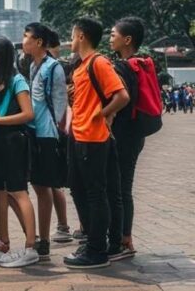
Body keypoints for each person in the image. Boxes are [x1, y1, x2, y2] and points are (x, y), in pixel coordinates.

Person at [64, 18, 130, 269]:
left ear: (81, 36)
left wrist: (101, 114)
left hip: (93, 138)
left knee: (94, 193)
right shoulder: (82, 66)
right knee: (81, 190)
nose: (70, 40)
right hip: (80, 136)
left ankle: (97, 251)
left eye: (72, 35)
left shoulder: (98, 62)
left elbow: (122, 96)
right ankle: (95, 242)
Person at [0, 37, 39, 267]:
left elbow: (28, 114)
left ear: (2, 55)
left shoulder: (17, 80)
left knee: (18, 191)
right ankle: (4, 242)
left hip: (13, 141)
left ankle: (31, 247)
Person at [22, 23, 73, 259]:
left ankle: (44, 241)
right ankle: (42, 238)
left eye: (26, 37)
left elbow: (60, 104)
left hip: (47, 135)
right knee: (40, 186)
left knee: (45, 188)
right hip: (34, 132)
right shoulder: (34, 66)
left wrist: (58, 133)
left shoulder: (53, 68)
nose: (23, 41)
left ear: (39, 42)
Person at [108, 17, 150, 260]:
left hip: (124, 134)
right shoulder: (139, 64)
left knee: (121, 188)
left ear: (127, 39)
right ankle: (125, 238)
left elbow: (122, 100)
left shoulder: (123, 67)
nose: (110, 38)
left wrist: (106, 114)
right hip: (136, 133)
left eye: (114, 34)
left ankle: (124, 240)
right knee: (124, 186)